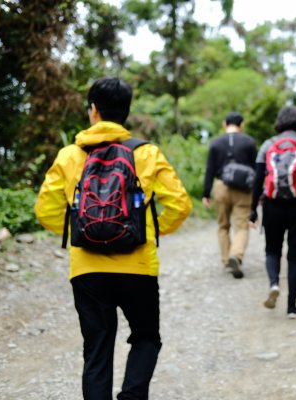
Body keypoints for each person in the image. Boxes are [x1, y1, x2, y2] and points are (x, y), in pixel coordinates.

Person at [34, 77, 192, 400]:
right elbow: (180, 204)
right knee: (146, 338)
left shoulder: (68, 156)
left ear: (93, 110)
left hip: (86, 270)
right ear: (126, 113)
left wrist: (82, 231)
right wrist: (151, 229)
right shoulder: (146, 153)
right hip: (137, 266)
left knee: (97, 349)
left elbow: (45, 211)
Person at [249, 106, 296, 319]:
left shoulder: (268, 146)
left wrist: (253, 210)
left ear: (279, 122)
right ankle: (291, 307)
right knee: (295, 257)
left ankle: (274, 284)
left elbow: (258, 179)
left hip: (272, 205)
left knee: (272, 250)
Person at [202, 111, 257, 279]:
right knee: (242, 226)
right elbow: (257, 170)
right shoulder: (249, 142)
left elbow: (210, 169)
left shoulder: (216, 143)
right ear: (241, 125)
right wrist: (258, 194)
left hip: (221, 186)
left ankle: (227, 260)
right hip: (244, 190)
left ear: (224, 124)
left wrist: (206, 193)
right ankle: (236, 255)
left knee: (223, 226)